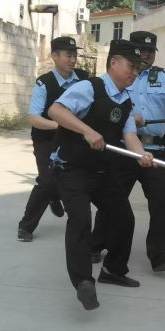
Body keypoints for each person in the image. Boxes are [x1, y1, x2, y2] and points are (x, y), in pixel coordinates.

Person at [48, 39, 154, 310]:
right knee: (81, 220)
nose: (134, 72)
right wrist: (86, 130)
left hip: (101, 170)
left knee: (123, 218)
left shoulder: (126, 100)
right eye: (131, 66)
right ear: (114, 62)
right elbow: (55, 110)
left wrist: (141, 154)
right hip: (71, 168)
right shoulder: (89, 88)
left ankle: (113, 270)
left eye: (138, 68)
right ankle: (84, 282)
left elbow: (130, 135)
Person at [91, 31, 165, 273]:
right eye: (141, 50)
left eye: (150, 51)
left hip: (156, 150)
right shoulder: (120, 78)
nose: (146, 54)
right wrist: (128, 116)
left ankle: (161, 255)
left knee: (162, 199)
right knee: (112, 199)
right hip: (124, 150)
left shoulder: (163, 76)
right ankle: (96, 244)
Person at [17, 36, 89, 242]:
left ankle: (56, 197)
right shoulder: (44, 83)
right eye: (68, 55)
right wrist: (61, 125)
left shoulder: (84, 79)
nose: (73, 60)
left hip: (75, 138)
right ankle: (26, 227)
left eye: (75, 55)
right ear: (54, 56)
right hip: (47, 138)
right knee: (48, 181)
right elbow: (33, 118)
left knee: (76, 179)